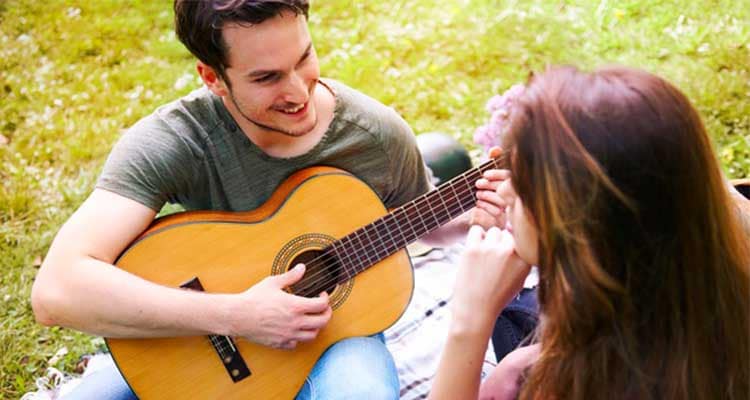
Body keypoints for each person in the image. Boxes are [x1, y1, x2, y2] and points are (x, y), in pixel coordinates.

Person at [30, 1, 507, 399]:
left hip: (332, 342)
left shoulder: (374, 136)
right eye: (267, 78)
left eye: (304, 59)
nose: (298, 92)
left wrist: (472, 218)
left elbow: (415, 217)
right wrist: (237, 314)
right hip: (196, 342)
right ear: (212, 78)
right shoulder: (177, 141)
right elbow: (56, 293)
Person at [429, 66, 750, 400]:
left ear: (581, 232)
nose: (505, 193)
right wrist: (529, 357)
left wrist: (470, 322)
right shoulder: (710, 245)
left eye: (522, 185)